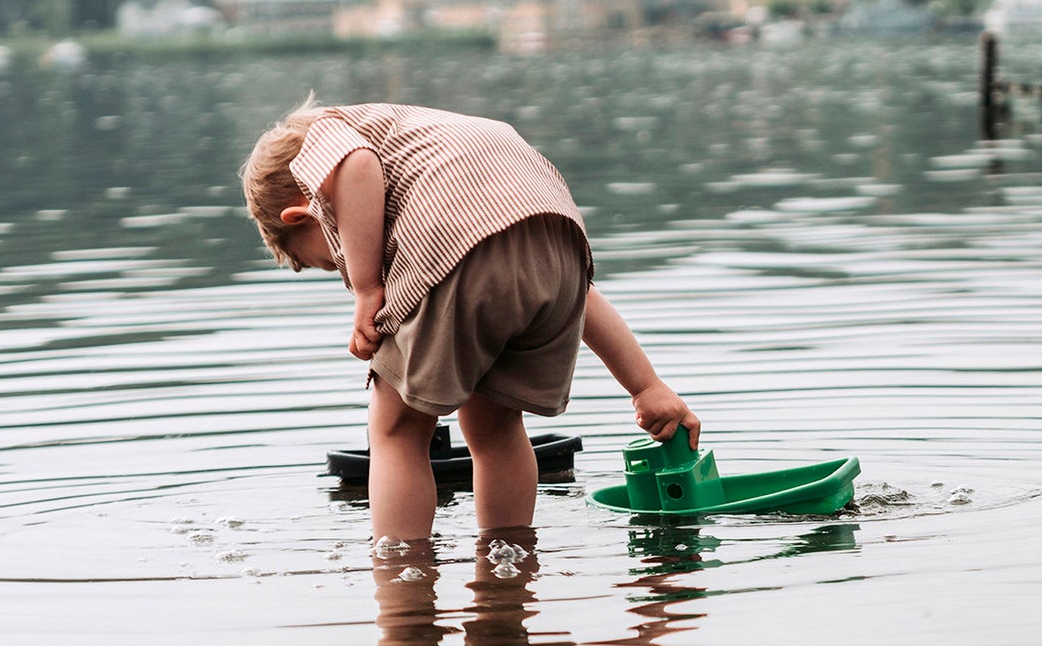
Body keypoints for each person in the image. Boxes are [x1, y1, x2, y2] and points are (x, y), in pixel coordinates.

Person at [240, 99, 700, 542]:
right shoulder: (424, 142)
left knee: (397, 430)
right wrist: (645, 386)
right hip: (557, 244)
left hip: (450, 248)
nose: (342, 267)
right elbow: (583, 296)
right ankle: (509, 561)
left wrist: (366, 287)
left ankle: (405, 578)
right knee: (495, 426)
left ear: (302, 213)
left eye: (326, 261)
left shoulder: (327, 142)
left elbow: (358, 167)